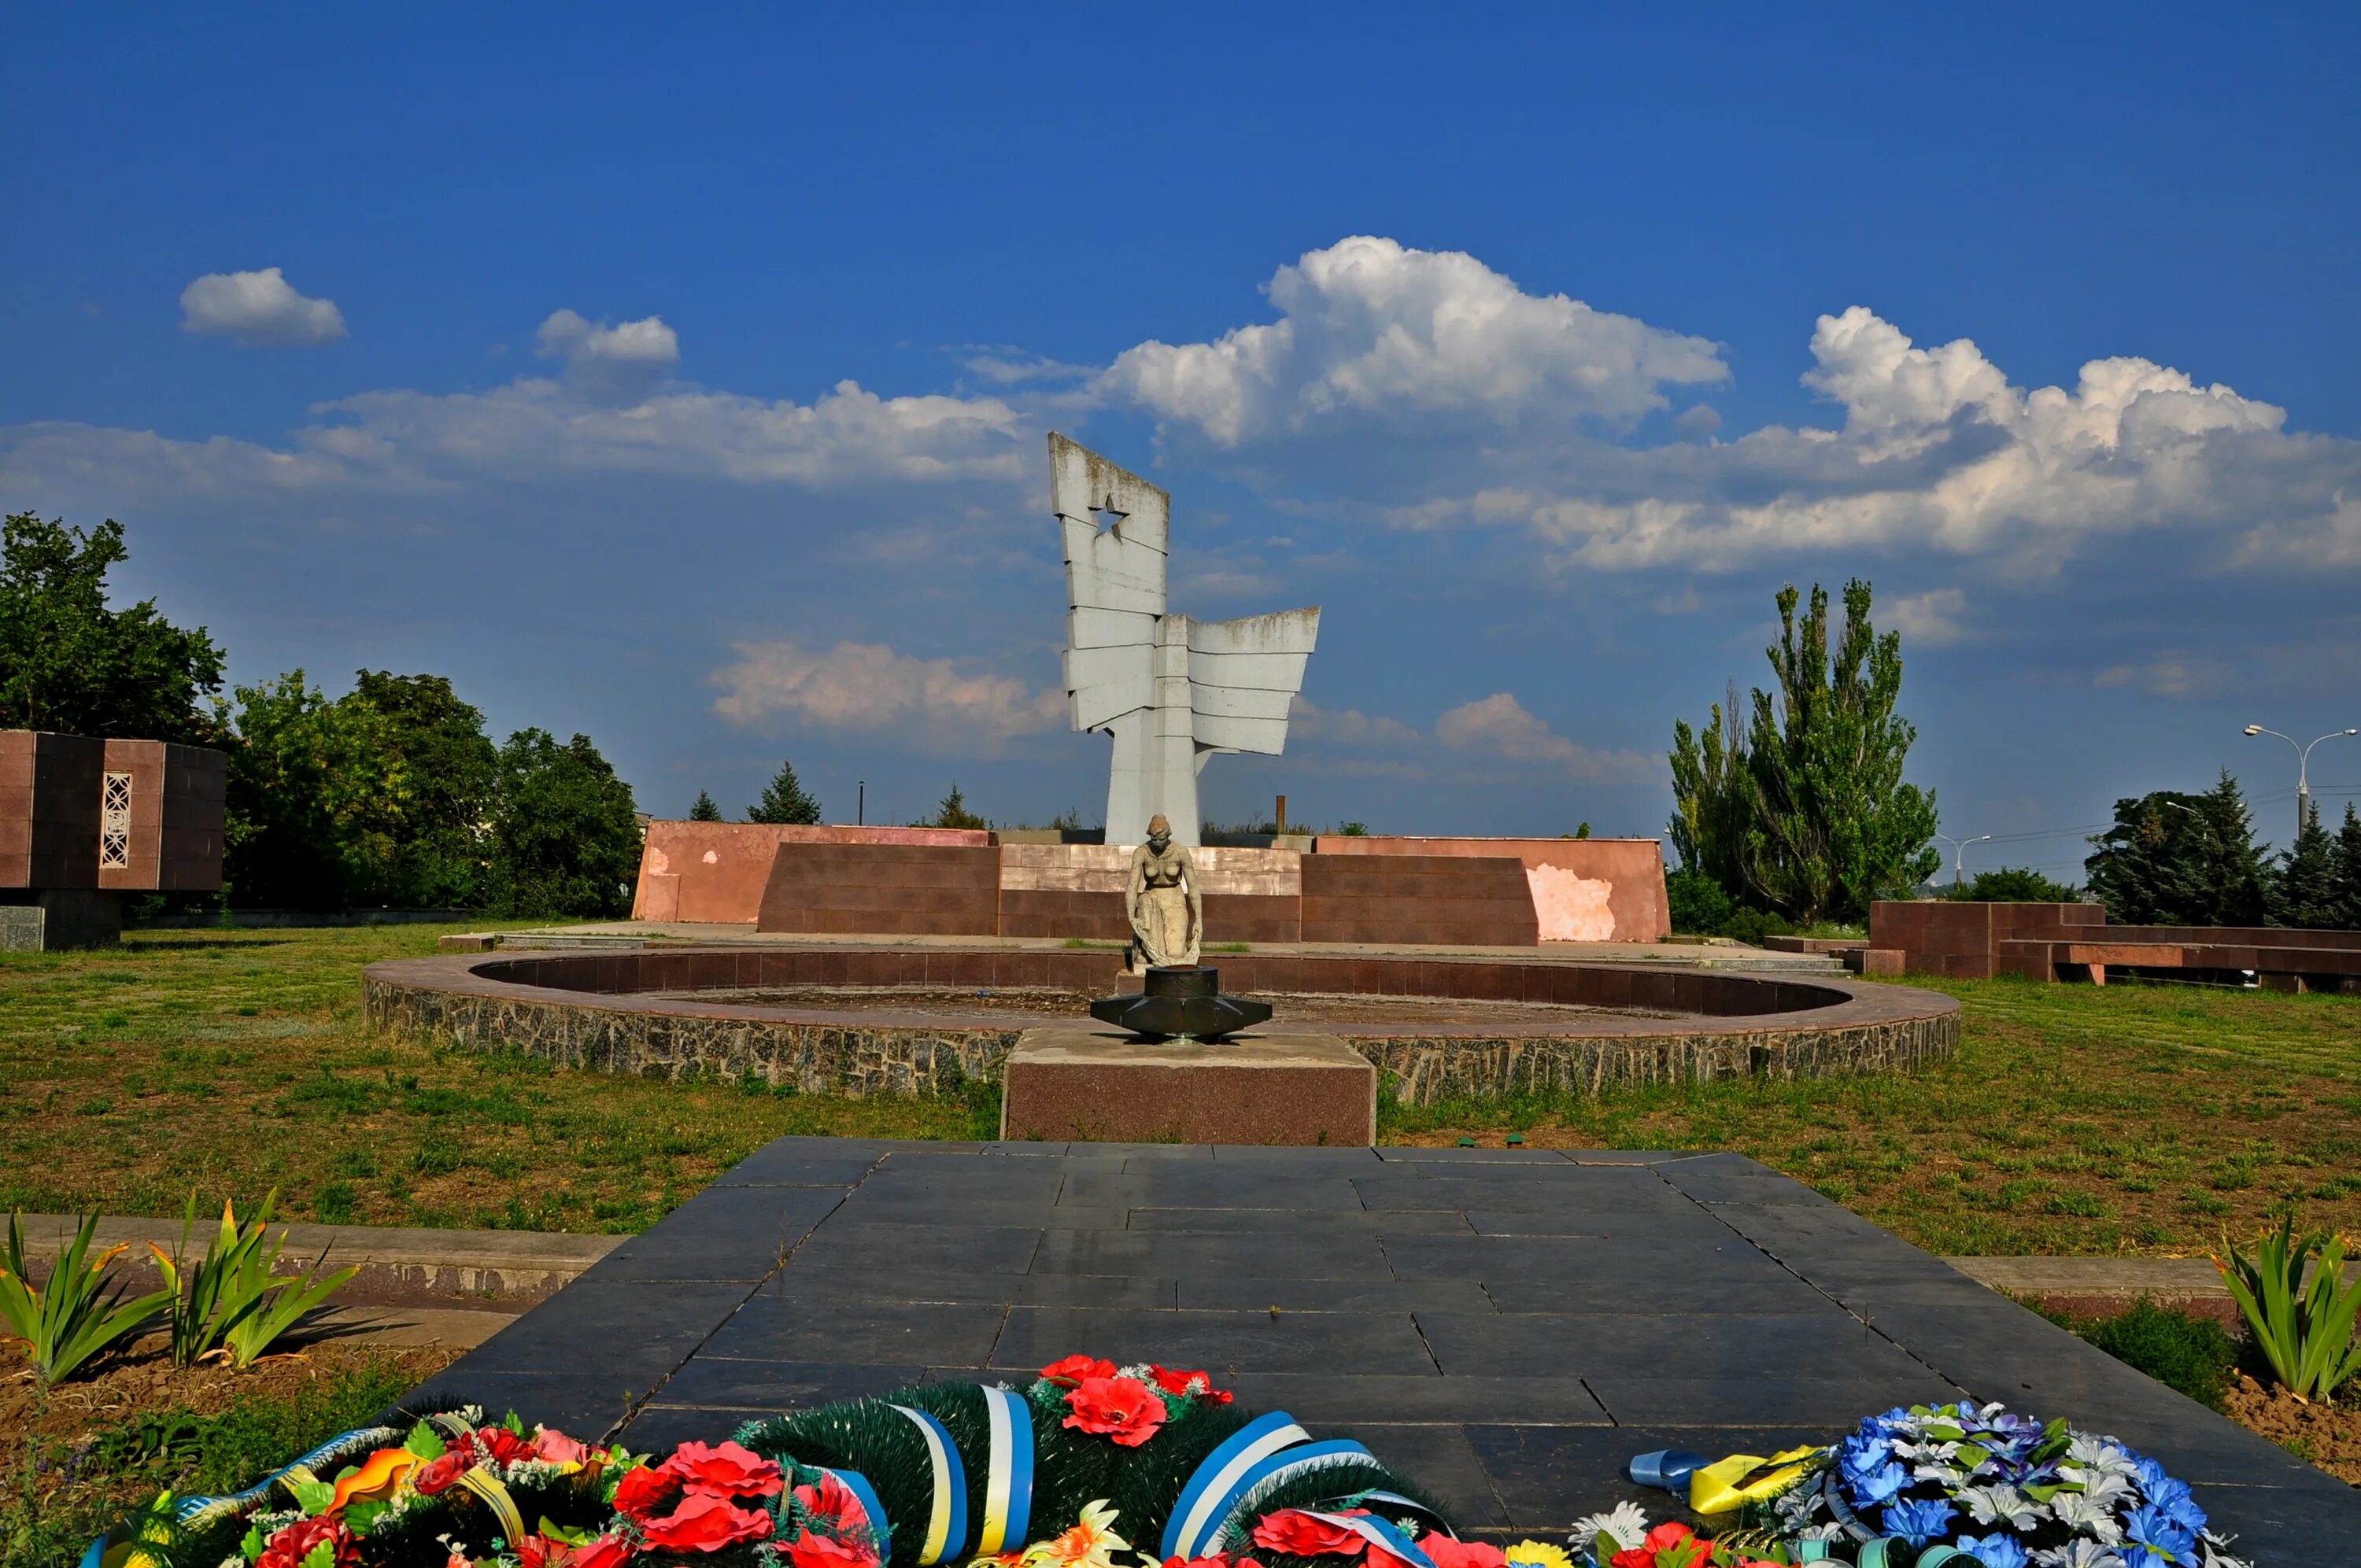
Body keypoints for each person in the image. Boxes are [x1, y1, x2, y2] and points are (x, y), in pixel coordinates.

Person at [1125, 813, 1202, 970]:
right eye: (1154, 840)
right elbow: (1132, 886)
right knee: (1150, 956)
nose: (1158, 843)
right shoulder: (1142, 852)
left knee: (1176, 954)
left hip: (1175, 899)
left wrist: (1198, 920)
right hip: (1151, 898)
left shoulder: (1180, 852)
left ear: (1168, 835)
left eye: (1161, 839)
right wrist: (1131, 916)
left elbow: (1193, 886)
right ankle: (1141, 948)